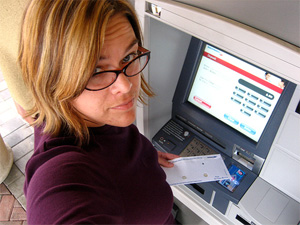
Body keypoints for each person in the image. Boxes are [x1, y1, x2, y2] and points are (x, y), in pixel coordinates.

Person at [19, 0, 179, 224]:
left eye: (128, 57)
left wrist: (146, 156)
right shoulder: (62, 175)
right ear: (53, 78)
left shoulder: (79, 113)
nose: (126, 86)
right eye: (95, 70)